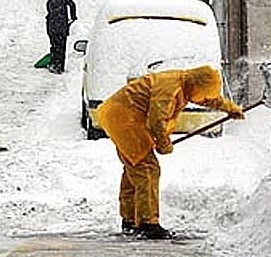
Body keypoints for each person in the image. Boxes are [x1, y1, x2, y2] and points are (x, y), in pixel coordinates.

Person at [95, 65, 243, 239]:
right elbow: (156, 121)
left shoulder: (187, 84)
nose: (204, 98)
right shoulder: (170, 88)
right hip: (124, 118)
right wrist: (164, 144)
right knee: (147, 169)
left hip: (120, 114)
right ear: (196, 85)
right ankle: (148, 224)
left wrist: (229, 108)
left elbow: (206, 98)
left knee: (134, 167)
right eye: (203, 93)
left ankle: (130, 220)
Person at [45, 0, 77, 74]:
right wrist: (73, 16)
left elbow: (49, 14)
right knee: (62, 48)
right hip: (62, 28)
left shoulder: (49, 1)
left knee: (54, 47)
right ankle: (60, 67)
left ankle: (54, 64)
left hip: (52, 28)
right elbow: (72, 5)